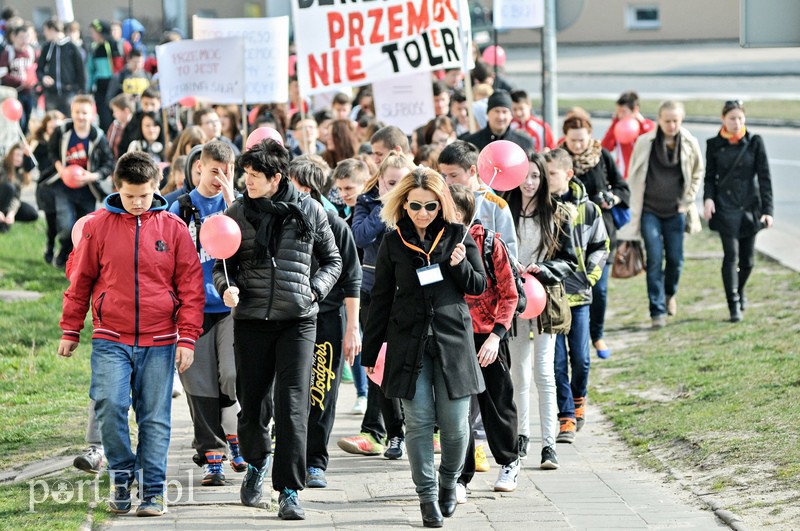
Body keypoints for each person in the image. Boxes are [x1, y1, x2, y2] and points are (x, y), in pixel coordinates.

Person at [58, 151, 205, 517]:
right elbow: (81, 282)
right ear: (116, 189)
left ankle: (153, 492)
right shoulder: (98, 226)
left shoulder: (173, 228)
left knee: (154, 417)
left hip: (160, 341)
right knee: (109, 406)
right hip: (111, 337)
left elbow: (190, 287)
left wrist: (187, 337)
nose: (138, 203)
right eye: (130, 196)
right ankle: (122, 479)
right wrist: (70, 329)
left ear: (156, 187)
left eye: (144, 195)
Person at [212, 139, 341, 521]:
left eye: (255, 176)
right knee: (251, 405)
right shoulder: (237, 212)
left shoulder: (309, 210)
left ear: (277, 178)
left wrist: (313, 291)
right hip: (251, 320)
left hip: (298, 321)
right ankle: (255, 463)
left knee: (293, 405)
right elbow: (222, 263)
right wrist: (225, 287)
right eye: (246, 175)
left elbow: (332, 260)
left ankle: (289, 490)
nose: (247, 182)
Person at [360, 167, 487, 528]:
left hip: (452, 342)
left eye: (431, 206)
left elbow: (477, 286)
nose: (423, 213)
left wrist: (460, 266)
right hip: (407, 342)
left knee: (455, 425)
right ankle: (427, 496)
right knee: (417, 423)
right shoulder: (394, 240)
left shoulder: (459, 235)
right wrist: (370, 354)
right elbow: (380, 298)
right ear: (403, 203)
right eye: (415, 206)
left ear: (441, 203)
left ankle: (449, 481)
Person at [168, 141, 245, 487]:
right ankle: (212, 454)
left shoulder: (241, 207)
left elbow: (253, 247)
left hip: (230, 307)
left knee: (231, 374)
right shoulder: (178, 208)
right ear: (199, 167)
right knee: (200, 386)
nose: (220, 178)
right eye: (215, 170)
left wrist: (234, 206)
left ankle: (234, 434)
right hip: (191, 310)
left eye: (227, 172)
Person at [287, 157, 362, 490]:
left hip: (327, 320)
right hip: (287, 319)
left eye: (289, 184)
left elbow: (352, 280)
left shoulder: (335, 224)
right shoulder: (281, 220)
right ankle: (289, 456)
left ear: (306, 187)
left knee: (321, 393)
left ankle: (315, 462)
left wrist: (351, 330)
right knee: (289, 393)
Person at [338, 152, 416, 459]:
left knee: (408, 363)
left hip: (409, 294)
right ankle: (393, 434)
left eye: (402, 183)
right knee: (379, 364)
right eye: (391, 182)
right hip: (374, 294)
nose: (398, 188)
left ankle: (417, 427)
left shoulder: (418, 204)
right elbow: (359, 236)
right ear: (380, 180)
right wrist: (385, 205)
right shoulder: (369, 203)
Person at [503, 153, 577, 469]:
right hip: (514, 299)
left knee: (544, 372)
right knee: (519, 373)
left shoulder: (557, 214)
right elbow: (497, 248)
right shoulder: (505, 211)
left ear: (544, 178)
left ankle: (549, 445)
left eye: (536, 176)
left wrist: (542, 269)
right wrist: (511, 265)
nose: (529, 182)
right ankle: (522, 436)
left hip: (545, 301)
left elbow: (569, 261)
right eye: (525, 176)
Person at [449, 183, 521, 501]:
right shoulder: (437, 245)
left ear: (465, 216)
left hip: (490, 335)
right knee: (458, 410)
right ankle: (460, 478)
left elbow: (509, 294)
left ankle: (509, 461)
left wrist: (496, 336)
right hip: (454, 336)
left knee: (497, 404)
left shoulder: (491, 244)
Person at [544, 149, 608, 443]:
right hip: (551, 298)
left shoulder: (589, 210)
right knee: (556, 363)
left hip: (580, 295)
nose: (546, 179)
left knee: (580, 359)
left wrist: (591, 276)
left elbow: (600, 245)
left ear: (568, 175)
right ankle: (566, 416)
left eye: (552, 174)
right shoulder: (541, 208)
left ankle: (579, 397)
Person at [622, 100, 704, 328]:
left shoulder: (689, 142)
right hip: (649, 211)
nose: (671, 125)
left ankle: (670, 294)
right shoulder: (645, 142)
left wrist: (687, 201)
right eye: (667, 121)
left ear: (681, 120)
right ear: (659, 119)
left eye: (675, 121)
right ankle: (656, 310)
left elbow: (698, 172)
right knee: (655, 259)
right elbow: (635, 173)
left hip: (676, 211)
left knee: (676, 260)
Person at [560, 115, 630, 358]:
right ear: (565, 138)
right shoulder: (559, 160)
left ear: (590, 135)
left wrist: (613, 199)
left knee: (599, 289)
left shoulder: (602, 156)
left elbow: (622, 187)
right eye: (573, 140)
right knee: (571, 291)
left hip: (601, 233)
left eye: (582, 139)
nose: (578, 145)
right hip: (568, 237)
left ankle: (597, 335)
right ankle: (572, 336)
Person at [703, 100, 773, 323]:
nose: (736, 122)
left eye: (740, 118)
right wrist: (708, 199)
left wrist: (768, 210)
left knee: (749, 261)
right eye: (732, 118)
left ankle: (740, 289)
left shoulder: (754, 142)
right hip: (726, 208)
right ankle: (733, 303)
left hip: (750, 208)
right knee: (731, 256)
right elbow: (710, 178)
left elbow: (764, 178)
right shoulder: (714, 144)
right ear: (723, 119)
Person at [48, 94, 116, 268]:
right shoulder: (62, 131)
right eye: (77, 112)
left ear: (92, 114)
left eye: (84, 113)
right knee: (66, 224)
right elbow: (52, 152)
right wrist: (61, 170)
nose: (80, 116)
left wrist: (91, 176)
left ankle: (73, 260)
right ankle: (63, 249)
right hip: (64, 187)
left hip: (87, 189)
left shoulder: (97, 136)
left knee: (82, 229)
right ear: (72, 112)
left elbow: (108, 163)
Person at [439, 140, 518, 260]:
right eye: (444, 176)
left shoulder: (496, 205)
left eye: (453, 175)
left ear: (472, 170)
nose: (448, 182)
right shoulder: (442, 202)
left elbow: (509, 250)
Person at [29, 111, 66, 261]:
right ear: (46, 128)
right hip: (47, 188)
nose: (55, 131)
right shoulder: (40, 144)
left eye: (58, 127)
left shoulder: (65, 143)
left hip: (64, 187)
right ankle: (50, 247)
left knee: (64, 221)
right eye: (52, 127)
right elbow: (29, 166)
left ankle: (64, 250)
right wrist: (28, 153)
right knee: (52, 222)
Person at [461, 90, 535, 156]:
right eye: (496, 111)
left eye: (504, 111)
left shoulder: (524, 143)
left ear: (511, 115)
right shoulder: (471, 143)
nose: (500, 117)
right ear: (487, 113)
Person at [601, 91, 656, 179]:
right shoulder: (617, 128)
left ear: (635, 110)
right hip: (623, 175)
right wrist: (614, 124)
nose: (620, 115)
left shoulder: (648, 125)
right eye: (618, 111)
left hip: (643, 176)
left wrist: (642, 123)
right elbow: (605, 147)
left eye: (623, 111)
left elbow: (653, 142)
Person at [37, 18, 86, 116]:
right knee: (51, 124)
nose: (44, 33)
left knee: (69, 121)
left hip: (69, 92)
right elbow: (39, 69)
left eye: (46, 30)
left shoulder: (72, 47)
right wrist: (43, 78)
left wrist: (81, 90)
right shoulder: (47, 48)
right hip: (51, 93)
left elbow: (81, 70)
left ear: (52, 30)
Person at [87, 20, 124, 130]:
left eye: (94, 32)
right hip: (100, 87)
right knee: (103, 118)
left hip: (112, 86)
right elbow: (91, 69)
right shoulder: (94, 48)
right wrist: (89, 87)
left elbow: (118, 67)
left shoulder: (113, 45)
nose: (92, 35)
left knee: (113, 116)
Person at [0, 23, 36, 133]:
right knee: (20, 120)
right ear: (14, 37)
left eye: (26, 37)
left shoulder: (30, 51)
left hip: (28, 91)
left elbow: (34, 68)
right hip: (14, 92)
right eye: (21, 37)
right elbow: (2, 74)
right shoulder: (8, 52)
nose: (24, 40)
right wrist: (20, 81)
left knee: (28, 118)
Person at [0, 143, 38, 233]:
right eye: (16, 155)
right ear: (10, 154)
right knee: (9, 187)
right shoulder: (2, 166)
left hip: (6, 204)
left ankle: (6, 219)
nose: (18, 158)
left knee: (32, 213)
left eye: (21, 156)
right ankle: (3, 226)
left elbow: (16, 197)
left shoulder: (20, 173)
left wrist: (11, 213)